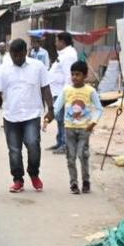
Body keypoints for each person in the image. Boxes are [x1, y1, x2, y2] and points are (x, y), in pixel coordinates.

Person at [0, 38, 53, 193]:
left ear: (26, 52)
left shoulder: (38, 67)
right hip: (11, 116)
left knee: (33, 144)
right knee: (14, 150)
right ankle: (18, 179)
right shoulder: (3, 69)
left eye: (19, 55)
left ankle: (34, 173)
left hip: (32, 114)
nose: (16, 58)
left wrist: (50, 109)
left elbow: (46, 88)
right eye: (13, 55)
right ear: (10, 53)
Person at [47, 60, 103, 194]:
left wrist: (93, 122)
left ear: (85, 75)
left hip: (85, 129)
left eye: (77, 74)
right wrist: (47, 118)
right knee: (70, 157)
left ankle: (86, 182)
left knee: (82, 155)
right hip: (69, 129)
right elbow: (57, 106)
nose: (74, 77)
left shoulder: (90, 91)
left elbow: (99, 109)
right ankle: (73, 184)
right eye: (72, 74)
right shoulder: (67, 90)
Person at [47, 32, 78, 153]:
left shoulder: (69, 55)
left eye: (56, 41)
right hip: (57, 91)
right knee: (59, 118)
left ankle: (66, 145)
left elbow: (69, 76)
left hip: (63, 92)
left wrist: (64, 95)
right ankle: (60, 141)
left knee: (64, 119)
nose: (55, 43)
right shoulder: (64, 54)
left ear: (62, 42)